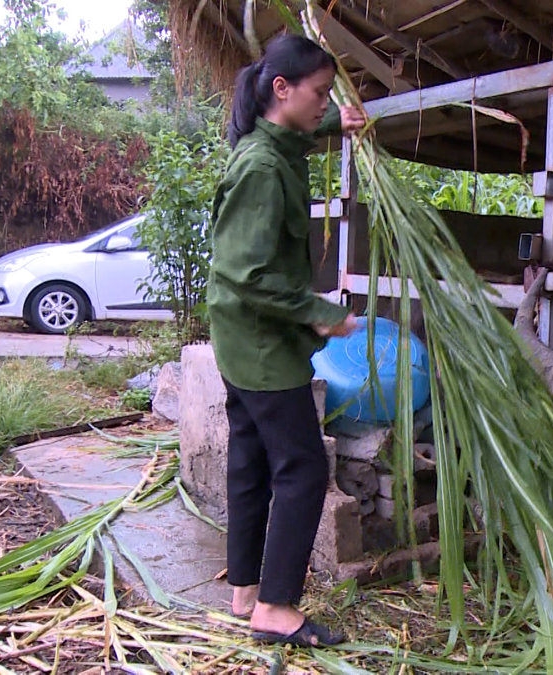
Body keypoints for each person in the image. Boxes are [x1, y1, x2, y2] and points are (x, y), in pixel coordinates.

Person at [207, 34, 366, 647]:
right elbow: (245, 272)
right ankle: (276, 607)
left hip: (242, 342)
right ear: (282, 89)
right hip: (264, 344)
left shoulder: (271, 146)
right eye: (320, 92)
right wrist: (319, 315)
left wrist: (335, 120)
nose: (325, 102)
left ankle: (245, 590)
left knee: (250, 460)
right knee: (301, 467)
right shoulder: (262, 169)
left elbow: (299, 130)